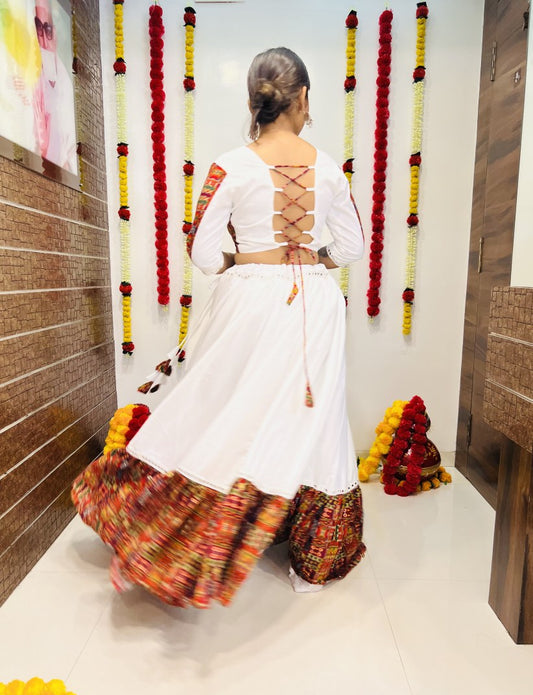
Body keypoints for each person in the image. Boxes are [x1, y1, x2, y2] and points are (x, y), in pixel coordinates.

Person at [72, 47, 366, 608]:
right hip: (316, 302)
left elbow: (204, 253)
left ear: (255, 101)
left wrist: (238, 261)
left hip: (251, 298)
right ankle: (315, 559)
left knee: (225, 408)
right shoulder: (329, 168)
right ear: (303, 97)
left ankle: (171, 531)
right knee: (318, 416)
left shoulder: (230, 165)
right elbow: (350, 247)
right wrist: (315, 260)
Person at [33, 0, 76, 173]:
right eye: (38, 28)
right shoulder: (32, 77)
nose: (44, 39)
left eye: (48, 29)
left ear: (55, 33)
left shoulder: (66, 85)